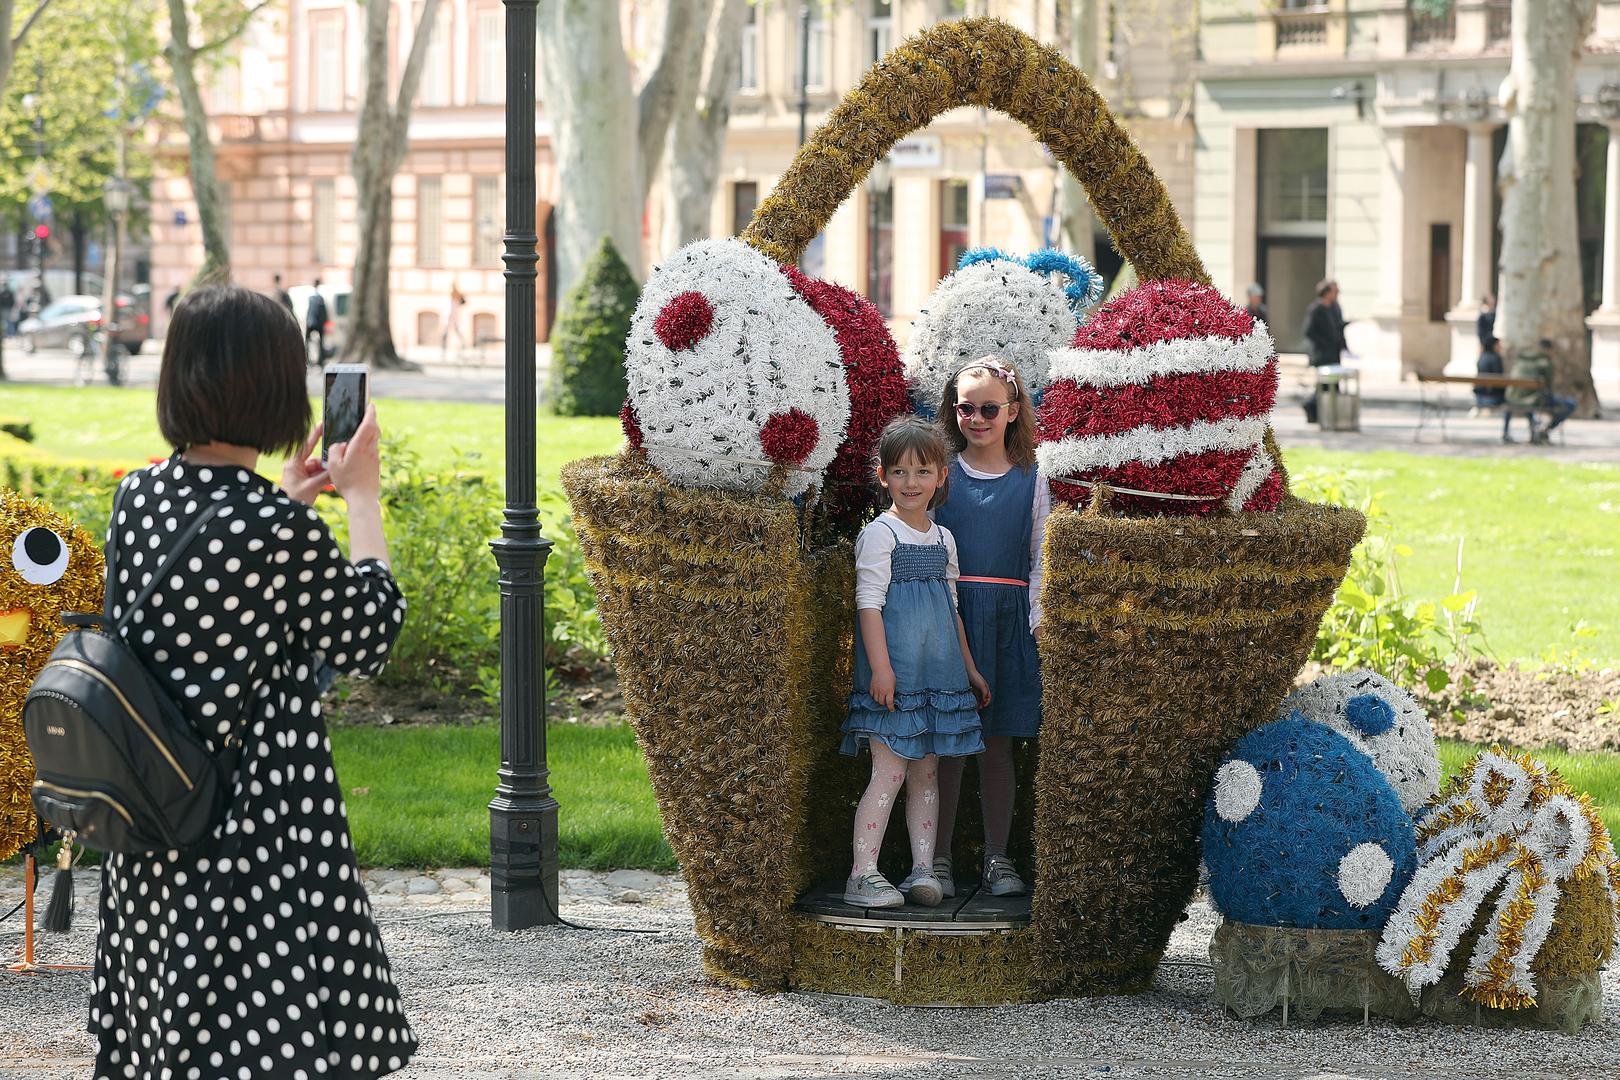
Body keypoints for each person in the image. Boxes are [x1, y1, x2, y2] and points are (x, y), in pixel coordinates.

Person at [89, 285, 416, 1078]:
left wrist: (293, 502)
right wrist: (361, 498)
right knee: (264, 1025)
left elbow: (201, 605)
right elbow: (371, 632)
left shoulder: (140, 497)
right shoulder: (275, 531)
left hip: (157, 811)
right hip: (253, 822)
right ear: (276, 389)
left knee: (173, 1017)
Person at [841, 416, 989, 909]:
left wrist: (967, 669)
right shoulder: (880, 535)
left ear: (941, 476)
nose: (911, 483)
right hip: (895, 677)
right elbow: (869, 604)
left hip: (939, 678)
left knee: (926, 773)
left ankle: (923, 871)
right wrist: (881, 669)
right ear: (883, 476)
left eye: (922, 472)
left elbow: (952, 610)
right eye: (900, 472)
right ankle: (862, 875)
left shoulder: (944, 540)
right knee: (889, 773)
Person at [930, 357, 1049, 900]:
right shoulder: (939, 474)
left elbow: (1038, 557)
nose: (976, 418)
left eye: (988, 408)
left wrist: (1037, 619)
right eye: (965, 408)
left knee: (996, 746)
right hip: (950, 618)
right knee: (948, 746)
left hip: (1007, 622)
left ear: (1012, 411)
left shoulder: (1033, 477)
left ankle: (999, 858)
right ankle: (937, 859)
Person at [1505, 338, 1576, 445]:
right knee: (1571, 404)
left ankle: (1535, 431)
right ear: (1549, 350)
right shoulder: (1545, 363)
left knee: (1530, 400)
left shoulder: (1521, 360)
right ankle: (1545, 430)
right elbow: (1548, 387)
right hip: (1535, 400)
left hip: (1512, 398)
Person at [1303, 279, 1348, 368]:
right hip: (1321, 354)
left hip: (1334, 354)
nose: (1337, 294)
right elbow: (1309, 332)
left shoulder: (1335, 308)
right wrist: (1324, 344)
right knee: (1324, 380)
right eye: (1335, 291)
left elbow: (1338, 328)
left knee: (1335, 380)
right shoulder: (1316, 309)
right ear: (1326, 293)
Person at [1474, 335, 1506, 413]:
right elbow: (1499, 378)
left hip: (1479, 396)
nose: (1501, 347)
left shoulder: (1482, 357)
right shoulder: (1496, 358)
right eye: (1499, 345)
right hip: (1492, 397)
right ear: (1493, 346)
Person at [306, 276, 330, 366]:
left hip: (314, 322)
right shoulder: (316, 297)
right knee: (310, 342)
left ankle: (319, 360)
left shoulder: (316, 297)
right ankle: (310, 359)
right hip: (315, 322)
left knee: (319, 343)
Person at [440, 282, 468, 359]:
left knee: (447, 335)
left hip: (452, 319)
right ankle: (462, 346)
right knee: (450, 334)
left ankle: (463, 346)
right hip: (452, 318)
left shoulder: (454, 297)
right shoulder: (453, 297)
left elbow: (451, 309)